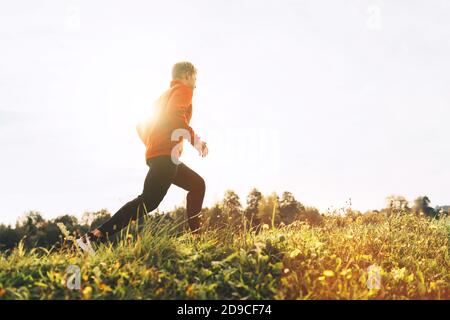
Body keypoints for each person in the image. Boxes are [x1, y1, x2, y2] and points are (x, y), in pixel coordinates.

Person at [77, 61, 208, 254]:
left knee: (197, 185)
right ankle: (93, 237)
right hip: (166, 155)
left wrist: (152, 145)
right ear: (187, 75)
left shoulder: (163, 97)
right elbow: (174, 116)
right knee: (148, 201)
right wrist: (196, 141)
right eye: (195, 77)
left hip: (160, 155)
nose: (196, 82)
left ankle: (197, 237)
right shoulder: (184, 91)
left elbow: (141, 124)